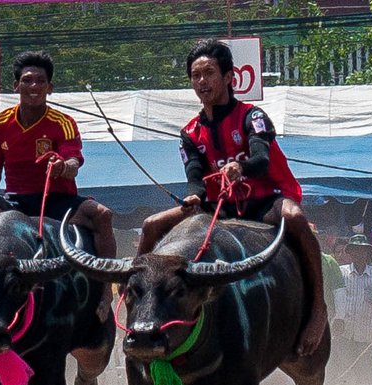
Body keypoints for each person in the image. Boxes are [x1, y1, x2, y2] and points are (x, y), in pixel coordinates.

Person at [137, 39, 327, 356]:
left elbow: (262, 160)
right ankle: (135, 306)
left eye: (209, 73)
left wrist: (242, 167)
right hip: (219, 207)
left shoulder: (253, 117)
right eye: (196, 76)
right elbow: (195, 177)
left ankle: (318, 309)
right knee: (150, 226)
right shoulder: (190, 132)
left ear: (229, 78)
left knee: (295, 219)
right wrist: (194, 198)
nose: (202, 82)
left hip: (266, 199)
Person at [0, 51, 116, 263]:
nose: (34, 86)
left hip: (57, 201)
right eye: (27, 81)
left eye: (40, 81)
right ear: (16, 86)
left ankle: (108, 288)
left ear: (49, 88)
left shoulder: (63, 122)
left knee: (103, 215)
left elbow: (73, 161)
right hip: (14, 201)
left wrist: (64, 166)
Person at [332, 234, 372, 385]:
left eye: (362, 251)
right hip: (345, 331)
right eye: (355, 250)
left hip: (368, 331)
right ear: (350, 252)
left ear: (367, 253)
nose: (359, 254)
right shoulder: (341, 272)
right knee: (347, 370)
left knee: (367, 370)